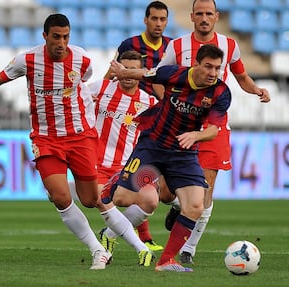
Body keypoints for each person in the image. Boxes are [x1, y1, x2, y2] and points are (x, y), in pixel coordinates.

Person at [0, 13, 112, 270]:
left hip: (80, 136)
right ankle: (98, 250)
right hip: (46, 138)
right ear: (45, 36)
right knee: (61, 197)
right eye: (56, 37)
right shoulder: (27, 60)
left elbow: (84, 83)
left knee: (89, 199)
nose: (61, 43)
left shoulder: (82, 59)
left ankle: (91, 209)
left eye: (65, 37)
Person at [157, 0, 271, 265]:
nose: (204, 18)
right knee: (165, 193)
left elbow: (242, 77)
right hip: (180, 126)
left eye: (209, 13)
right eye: (200, 13)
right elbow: (160, 78)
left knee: (206, 188)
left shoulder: (230, 45)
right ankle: (177, 206)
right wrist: (168, 107)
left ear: (217, 17)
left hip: (214, 127)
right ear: (192, 16)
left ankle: (189, 249)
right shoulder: (176, 46)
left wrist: (256, 90)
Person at [108, 43, 232, 272]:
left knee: (196, 205)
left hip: (183, 153)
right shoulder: (173, 74)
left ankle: (166, 261)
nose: (213, 73)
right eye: (208, 67)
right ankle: (117, 178)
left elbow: (214, 129)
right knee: (122, 197)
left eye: (217, 68)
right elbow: (146, 74)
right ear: (196, 64)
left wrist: (196, 135)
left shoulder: (220, 92)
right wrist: (123, 72)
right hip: (153, 145)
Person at [103, 0, 172, 251]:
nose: (158, 23)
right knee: (144, 175)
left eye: (162, 19)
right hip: (128, 109)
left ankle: (119, 232)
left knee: (157, 182)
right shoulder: (129, 45)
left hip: (152, 110)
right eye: (154, 18)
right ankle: (143, 236)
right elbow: (114, 71)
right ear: (146, 20)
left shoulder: (170, 47)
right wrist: (104, 90)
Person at [92, 50, 158, 266]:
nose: (128, 74)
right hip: (98, 165)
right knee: (103, 200)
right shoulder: (100, 88)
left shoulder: (148, 102)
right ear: (116, 68)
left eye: (133, 69)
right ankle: (138, 248)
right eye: (124, 68)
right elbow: (72, 100)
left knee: (151, 200)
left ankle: (109, 235)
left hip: (128, 168)